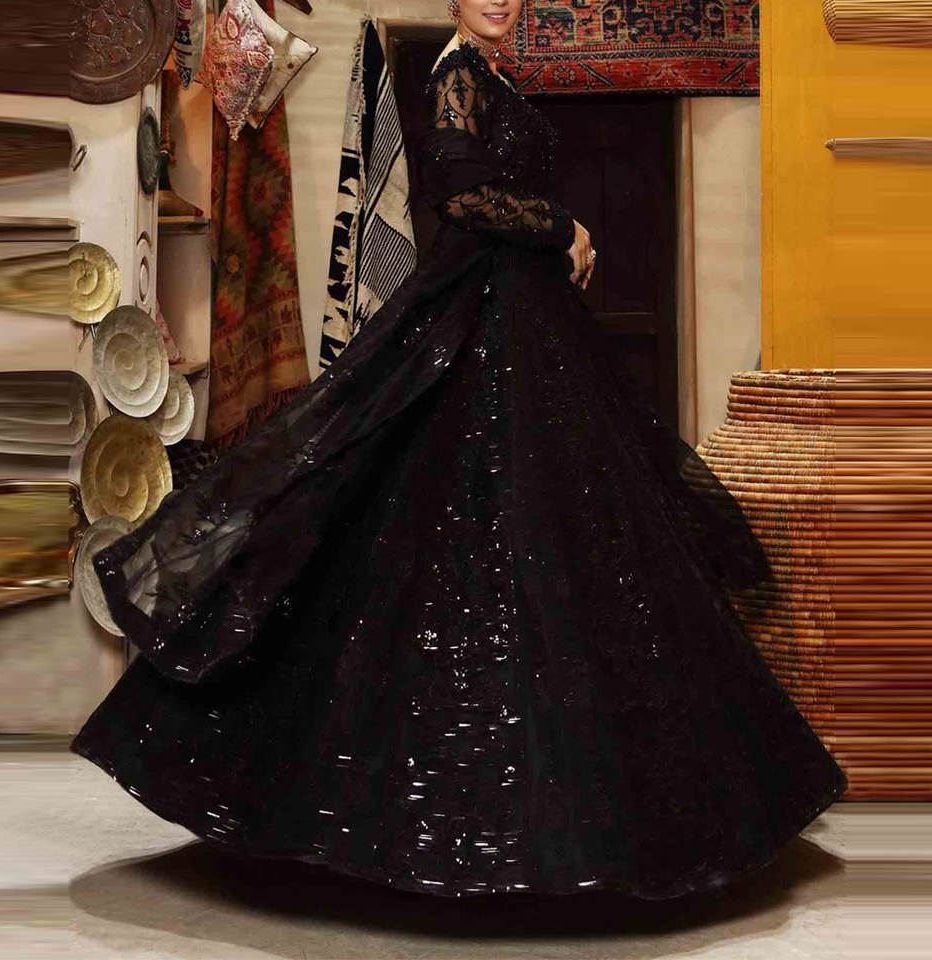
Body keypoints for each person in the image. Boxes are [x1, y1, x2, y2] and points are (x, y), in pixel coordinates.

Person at [70, 0, 849, 900]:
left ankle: (578, 804)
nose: (499, 1)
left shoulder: (492, 78)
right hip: (481, 324)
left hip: (524, 324)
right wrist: (563, 229)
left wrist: (555, 237)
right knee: (439, 531)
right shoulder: (454, 77)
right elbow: (461, 194)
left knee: (560, 544)